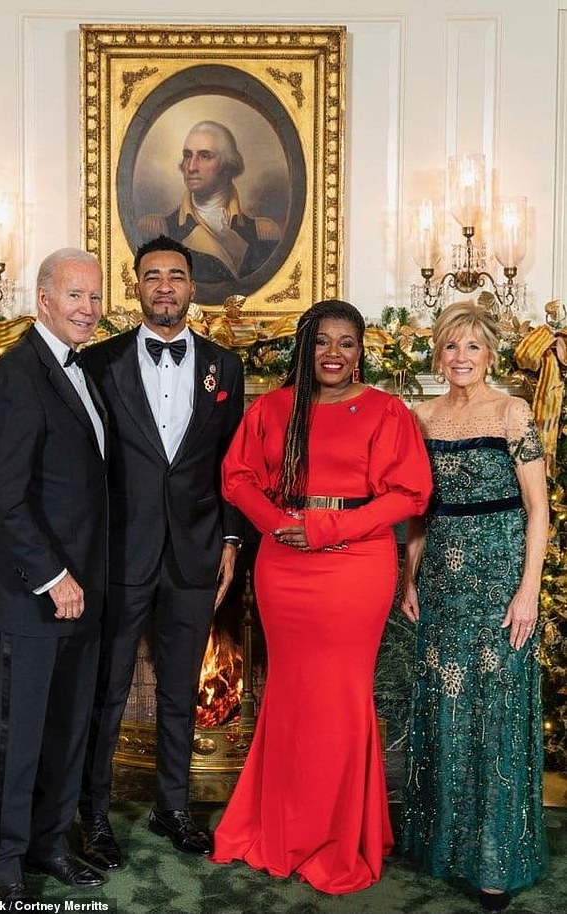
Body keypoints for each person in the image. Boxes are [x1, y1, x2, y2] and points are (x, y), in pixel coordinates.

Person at [210, 299, 433, 895]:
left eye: (347, 343)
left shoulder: (387, 412)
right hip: (285, 565)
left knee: (340, 697)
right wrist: (276, 523)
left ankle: (341, 834)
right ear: (304, 349)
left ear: (362, 352)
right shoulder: (273, 408)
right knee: (289, 693)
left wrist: (325, 529)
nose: (333, 353)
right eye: (322, 342)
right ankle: (279, 824)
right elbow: (237, 477)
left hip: (355, 564)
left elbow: (410, 494)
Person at [79, 234, 245, 866]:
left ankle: (171, 806)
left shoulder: (224, 368)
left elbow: (232, 463)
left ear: (191, 287)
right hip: (120, 554)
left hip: (196, 553)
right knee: (109, 687)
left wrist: (230, 537)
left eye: (176, 276)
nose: (165, 287)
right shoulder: (100, 363)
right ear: (137, 286)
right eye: (153, 277)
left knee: (180, 688)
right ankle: (94, 815)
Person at [399, 301, 549, 911]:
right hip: (441, 580)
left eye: (473, 348)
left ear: (490, 354)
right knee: (444, 703)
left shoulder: (514, 412)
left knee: (498, 707)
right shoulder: (421, 417)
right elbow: (419, 510)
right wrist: (410, 578)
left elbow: (538, 508)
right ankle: (446, 845)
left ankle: (495, 859)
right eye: (451, 347)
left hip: (501, 576)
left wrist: (528, 590)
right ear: (439, 353)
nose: (461, 358)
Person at [0, 248, 108, 902]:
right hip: (34, 596)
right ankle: (2, 862)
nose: (88, 309)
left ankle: (50, 845)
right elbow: (5, 495)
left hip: (85, 595)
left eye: (94, 296)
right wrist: (54, 575)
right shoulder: (15, 376)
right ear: (44, 300)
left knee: (66, 732)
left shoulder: (86, 372)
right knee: (20, 736)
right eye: (75, 296)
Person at [139, 120, 281, 291]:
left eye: (204, 156)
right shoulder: (158, 229)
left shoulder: (262, 233)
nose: (191, 167)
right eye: (187, 155)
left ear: (228, 165)